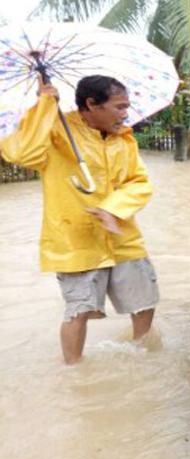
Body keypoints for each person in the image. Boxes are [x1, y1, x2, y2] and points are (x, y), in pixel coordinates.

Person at [0, 75, 158, 364]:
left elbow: (140, 183)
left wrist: (113, 208)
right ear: (91, 104)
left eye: (127, 107)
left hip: (122, 234)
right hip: (75, 240)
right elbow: (20, 153)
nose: (125, 114)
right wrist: (45, 105)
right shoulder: (56, 130)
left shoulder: (124, 139)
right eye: (119, 106)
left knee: (144, 301)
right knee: (78, 310)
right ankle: (74, 370)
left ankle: (142, 354)